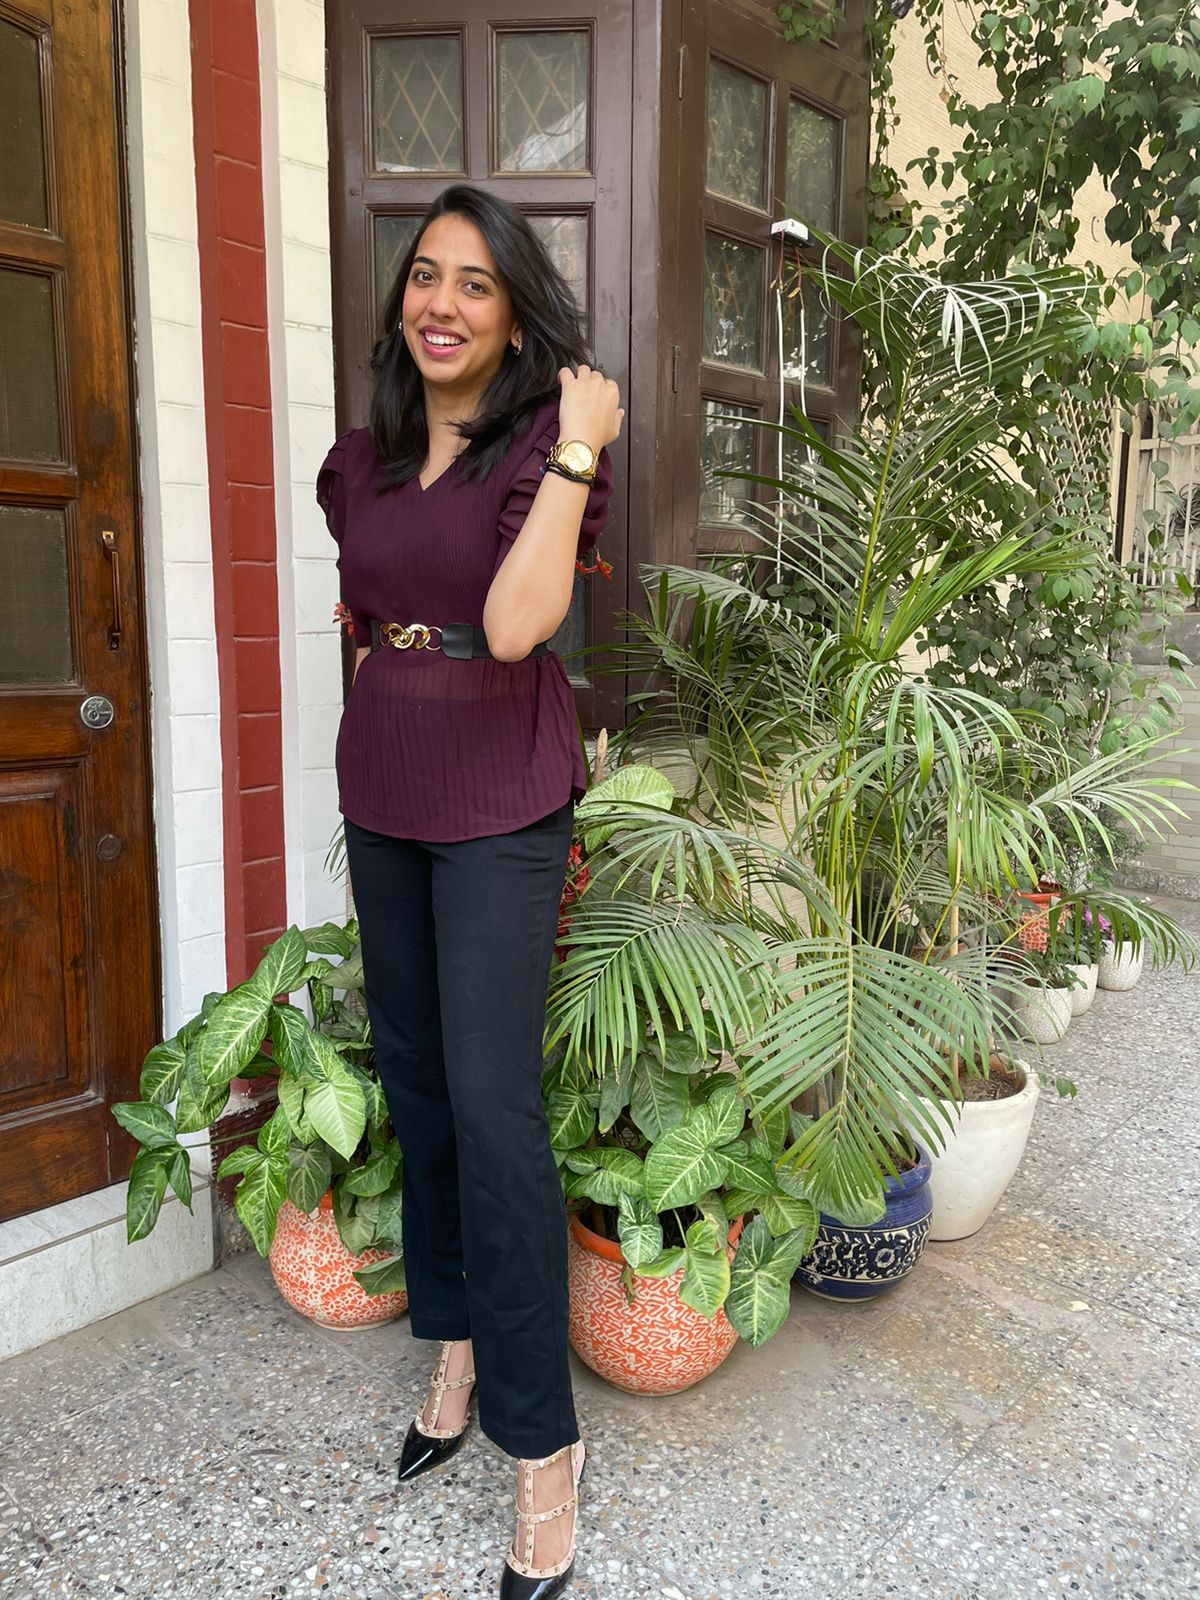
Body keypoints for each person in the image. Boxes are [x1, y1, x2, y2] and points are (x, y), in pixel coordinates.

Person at [315, 183, 623, 1600]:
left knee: (496, 1115)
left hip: (500, 798)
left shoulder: (549, 453)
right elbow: (372, 604)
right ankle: (451, 1346)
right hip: (384, 782)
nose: (440, 302)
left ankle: (544, 1446)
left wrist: (578, 442)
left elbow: (509, 626)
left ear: (512, 317)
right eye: (425, 276)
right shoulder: (360, 459)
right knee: (420, 1084)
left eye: (475, 284)